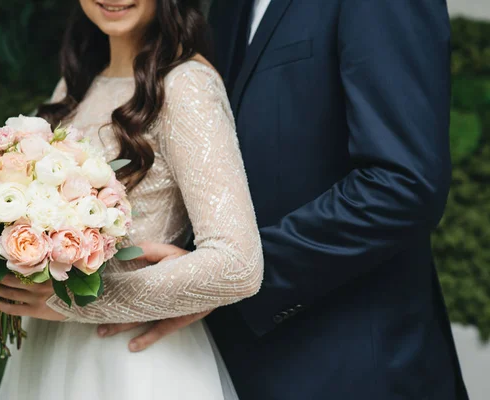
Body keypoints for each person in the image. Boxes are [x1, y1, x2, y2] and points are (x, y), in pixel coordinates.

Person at [99, 0, 471, 399]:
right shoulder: (228, 8)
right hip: (229, 365)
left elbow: (402, 184)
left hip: (355, 367)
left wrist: (226, 275)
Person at [0, 1, 262, 399]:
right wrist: (2, 259)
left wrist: (83, 303)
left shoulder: (186, 83)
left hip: (131, 361)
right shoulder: (76, 87)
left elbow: (237, 264)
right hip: (47, 354)